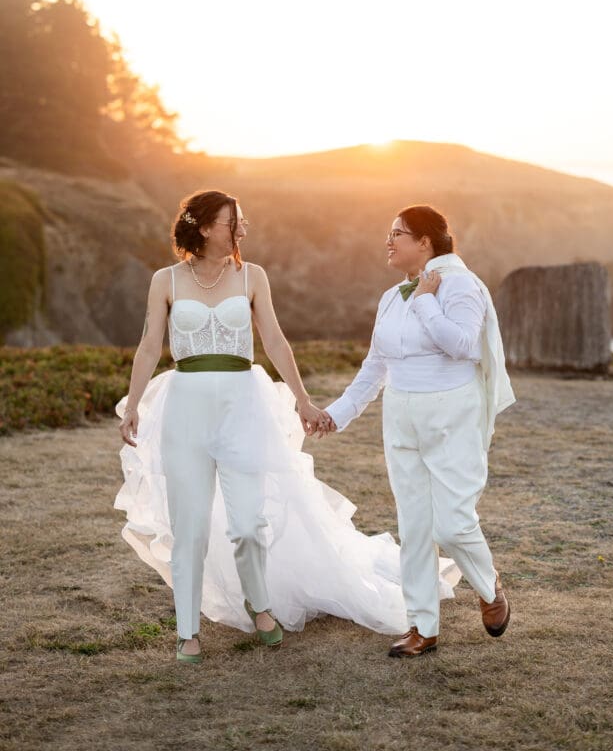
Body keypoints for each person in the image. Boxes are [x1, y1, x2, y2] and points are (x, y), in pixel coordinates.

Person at [115, 190, 459, 662]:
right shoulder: (166, 280)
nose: (244, 228)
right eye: (234, 221)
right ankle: (187, 630)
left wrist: (302, 400)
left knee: (248, 526)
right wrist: (133, 403)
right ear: (205, 227)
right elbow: (150, 344)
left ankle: (260, 604)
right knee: (189, 526)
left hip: (242, 405)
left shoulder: (252, 276)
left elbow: (274, 340)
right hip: (185, 408)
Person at [324, 204, 515, 657]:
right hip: (400, 416)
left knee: (451, 525)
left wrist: (428, 299)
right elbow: (375, 367)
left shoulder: (462, 285)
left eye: (397, 233)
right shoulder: (391, 297)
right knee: (414, 526)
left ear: (425, 241)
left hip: (452, 414)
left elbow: (464, 345)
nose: (388, 242)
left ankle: (490, 588)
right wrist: (337, 413)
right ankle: (422, 627)